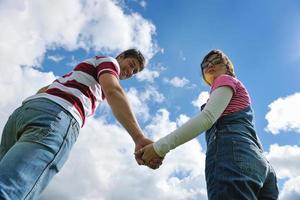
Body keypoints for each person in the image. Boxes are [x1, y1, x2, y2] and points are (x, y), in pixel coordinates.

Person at [0, 48, 162, 199]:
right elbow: (113, 91)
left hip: (24, 113)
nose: (129, 72)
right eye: (131, 65)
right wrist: (139, 137)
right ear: (121, 57)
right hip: (57, 115)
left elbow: (44, 90)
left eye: (134, 72)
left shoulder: (78, 74)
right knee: (10, 190)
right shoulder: (109, 62)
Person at [137, 49, 279, 199]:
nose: (210, 65)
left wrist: (159, 148)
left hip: (234, 155)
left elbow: (207, 117)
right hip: (261, 165)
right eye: (205, 64)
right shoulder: (237, 92)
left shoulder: (225, 79)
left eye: (217, 61)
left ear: (228, 68)